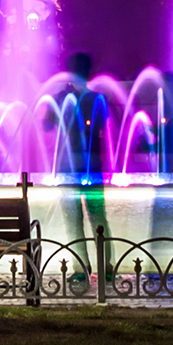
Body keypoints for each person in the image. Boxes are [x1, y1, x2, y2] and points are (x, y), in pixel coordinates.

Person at [56, 52, 112, 291]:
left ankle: (82, 269)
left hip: (72, 168)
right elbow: (102, 126)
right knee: (97, 217)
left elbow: (48, 125)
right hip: (91, 167)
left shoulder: (78, 98)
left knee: (76, 219)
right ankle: (104, 266)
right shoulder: (96, 98)